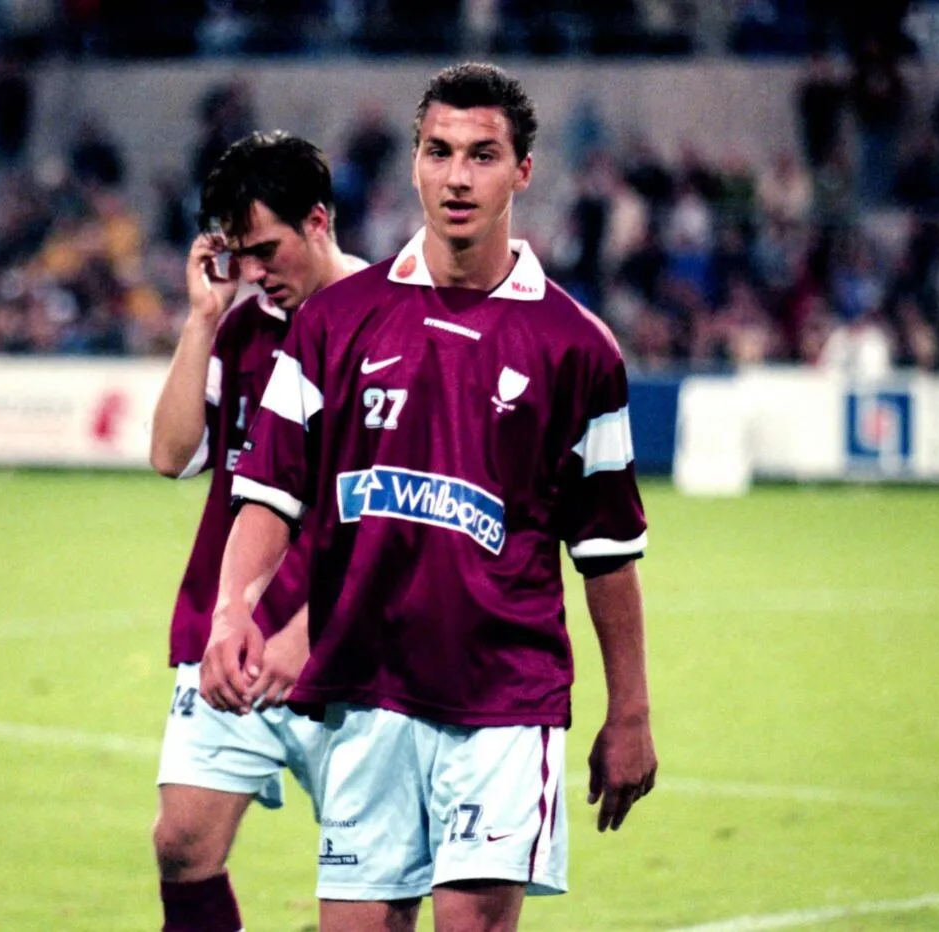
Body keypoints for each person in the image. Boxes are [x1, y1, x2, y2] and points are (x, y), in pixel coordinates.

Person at [201, 63, 657, 932]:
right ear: (413, 162)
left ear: (522, 172)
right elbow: (268, 491)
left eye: (483, 155)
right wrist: (232, 612)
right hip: (365, 694)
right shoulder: (334, 321)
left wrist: (629, 712)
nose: (457, 177)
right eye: (439, 151)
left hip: (503, 704)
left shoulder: (579, 349)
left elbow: (607, 553)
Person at [149, 130, 366, 932]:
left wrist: (310, 629)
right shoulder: (243, 331)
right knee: (182, 843)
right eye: (238, 256)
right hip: (229, 641)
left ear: (318, 221)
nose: (254, 272)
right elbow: (172, 456)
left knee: (368, 889)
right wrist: (204, 319)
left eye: (267, 251)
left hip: (349, 651)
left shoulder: (386, 325)